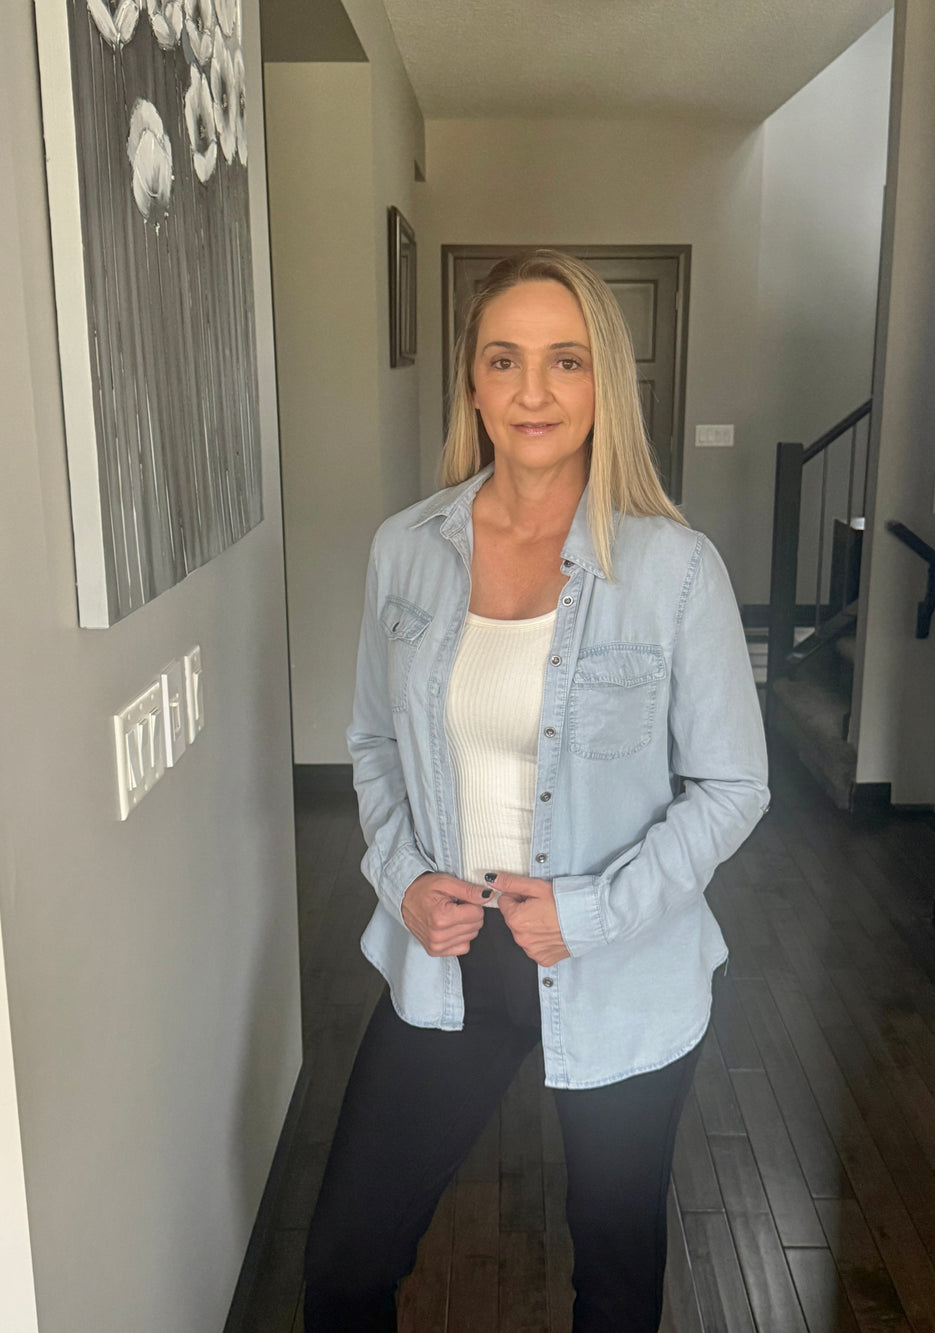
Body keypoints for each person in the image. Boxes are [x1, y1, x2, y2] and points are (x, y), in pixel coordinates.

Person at [303, 250, 769, 1331]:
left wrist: (588, 911)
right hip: (448, 956)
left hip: (619, 963)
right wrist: (403, 878)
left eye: (566, 360)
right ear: (470, 382)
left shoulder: (673, 570)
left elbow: (733, 784)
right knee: (343, 1261)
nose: (533, 391)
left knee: (614, 1281)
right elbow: (371, 741)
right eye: (504, 360)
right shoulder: (406, 550)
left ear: (603, 384)